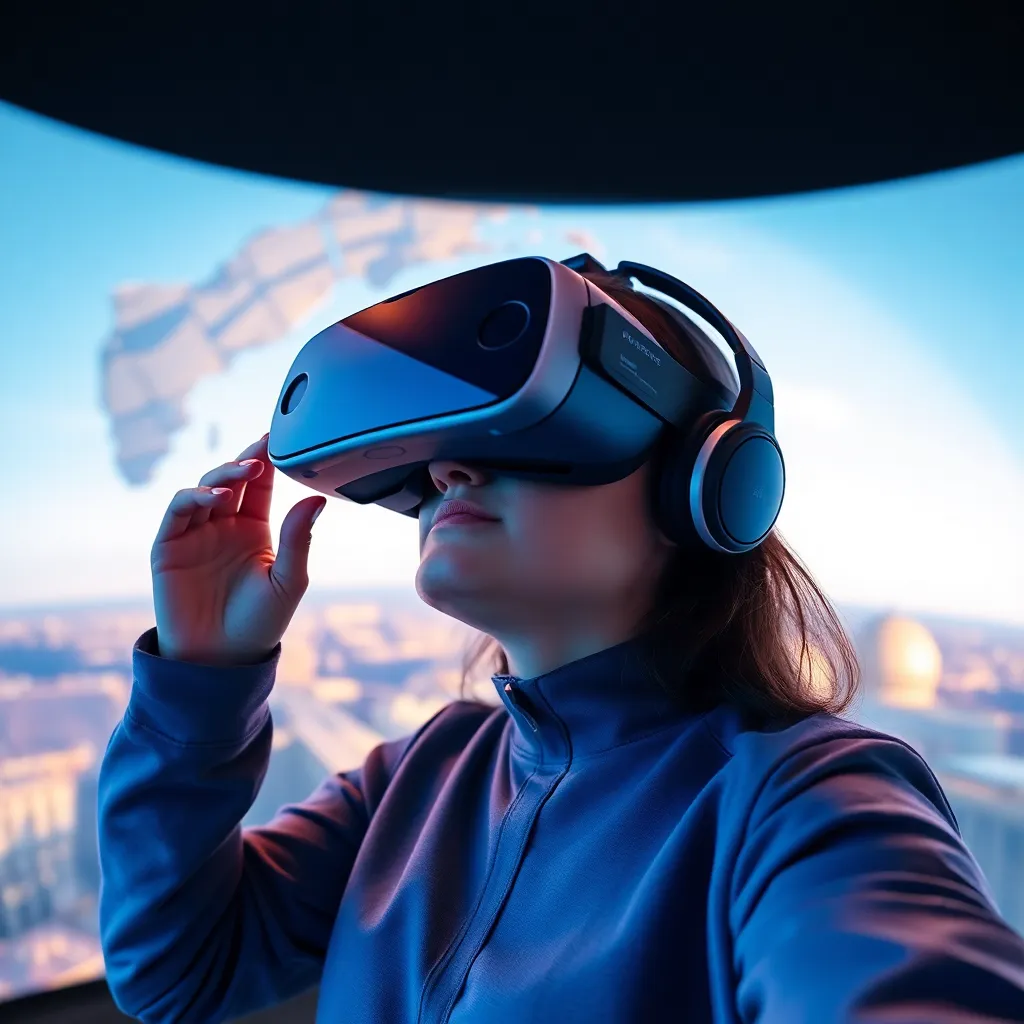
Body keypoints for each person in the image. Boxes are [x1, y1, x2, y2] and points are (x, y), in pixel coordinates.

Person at [97, 267, 1024, 1024]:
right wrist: (201, 682)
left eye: (526, 428)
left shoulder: (801, 801)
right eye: (436, 453)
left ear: (706, 487)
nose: (448, 467)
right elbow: (178, 974)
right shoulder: (420, 777)